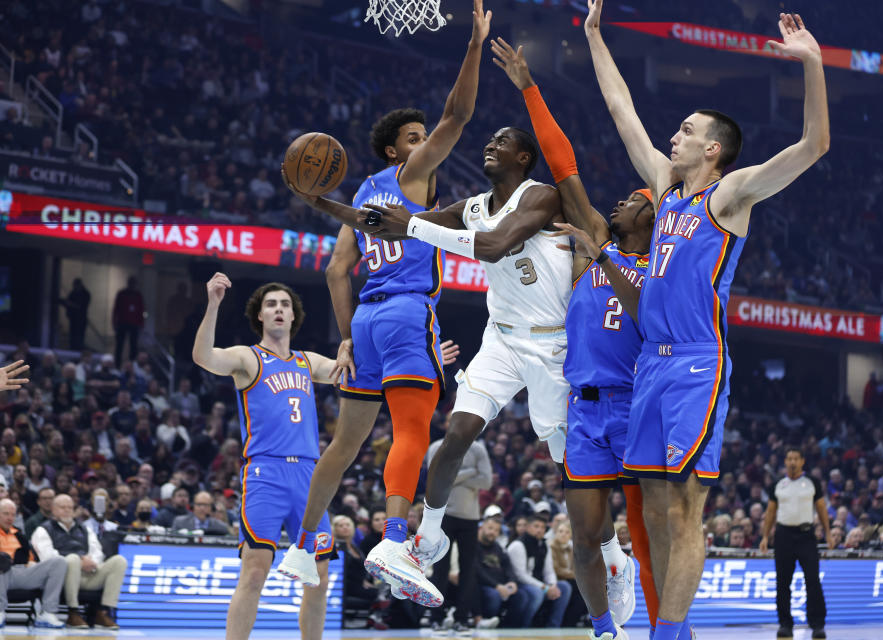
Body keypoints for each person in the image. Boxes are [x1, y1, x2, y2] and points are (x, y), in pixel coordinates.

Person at [584, 4, 829, 638]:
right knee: (659, 510)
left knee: (688, 509)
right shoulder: (666, 188)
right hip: (650, 364)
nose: (675, 135)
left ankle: (667, 632)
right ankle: (678, 628)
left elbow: (814, 146)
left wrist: (814, 66)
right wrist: (593, 37)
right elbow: (621, 112)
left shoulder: (731, 193)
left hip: (697, 360)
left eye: (687, 130)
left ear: (711, 148)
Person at [276, 0, 490, 607]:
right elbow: (461, 112)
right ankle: (395, 539)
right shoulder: (411, 177)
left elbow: (335, 269)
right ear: (398, 152)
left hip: (366, 321)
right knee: (414, 427)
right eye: (414, 140)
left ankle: (300, 549)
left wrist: (344, 336)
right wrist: (474, 44)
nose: (426, 145)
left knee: (344, 445)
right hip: (404, 312)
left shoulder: (365, 195)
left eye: (423, 139)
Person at [490, 38, 661, 639]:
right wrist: (528, 87)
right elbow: (565, 167)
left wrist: (603, 261)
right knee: (585, 537)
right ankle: (601, 629)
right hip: (585, 410)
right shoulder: (594, 237)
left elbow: (646, 315)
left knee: (648, 532)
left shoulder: (661, 265)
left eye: (634, 200)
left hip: (637, 407)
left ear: (653, 218)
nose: (619, 201)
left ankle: (667, 623)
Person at [192, 275, 338, 640]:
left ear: (293, 317)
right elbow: (203, 357)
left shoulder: (309, 362)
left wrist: (419, 355)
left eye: (285, 305)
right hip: (265, 474)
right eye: (271, 304)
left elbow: (352, 370)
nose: (278, 309)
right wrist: (212, 304)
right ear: (259, 315)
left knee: (318, 575)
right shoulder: (247, 357)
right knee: (256, 571)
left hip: (309, 475)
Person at [759, 447, 833, 638]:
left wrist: (828, 532)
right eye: (789, 458)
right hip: (783, 536)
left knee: (813, 581)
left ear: (802, 461)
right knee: (783, 582)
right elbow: (770, 512)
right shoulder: (778, 484)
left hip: (806, 536)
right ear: (785, 461)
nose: (792, 462)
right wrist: (765, 537)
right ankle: (785, 624)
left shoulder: (812, 483)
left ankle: (817, 625)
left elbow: (822, 509)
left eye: (795, 458)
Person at [425, 433, 492, 633]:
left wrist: (453, 477)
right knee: (440, 569)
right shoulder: (437, 446)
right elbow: (434, 477)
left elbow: (486, 482)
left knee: (468, 570)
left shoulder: (478, 449)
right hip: (442, 514)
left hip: (470, 518)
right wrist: (470, 472)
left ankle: (462, 619)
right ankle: (436, 618)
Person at [30, 494, 128, 629]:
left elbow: (97, 551)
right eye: (62, 507)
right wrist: (79, 560)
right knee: (72, 559)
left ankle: (103, 612)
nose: (67, 510)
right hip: (61, 578)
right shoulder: (44, 529)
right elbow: (47, 557)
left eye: (70, 507)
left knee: (119, 561)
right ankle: (73, 612)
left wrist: (91, 562)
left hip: (88, 574)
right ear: (53, 509)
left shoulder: (84, 529)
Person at [0, 498, 66, 628]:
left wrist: (30, 562)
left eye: (13, 514)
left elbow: (30, 558)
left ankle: (47, 613)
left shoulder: (19, 534)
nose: (10, 517)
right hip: (3, 573)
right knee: (2, 562)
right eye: (5, 513)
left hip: (22, 573)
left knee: (59, 562)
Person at [506, 514, 571, 627]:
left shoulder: (544, 544)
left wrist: (552, 586)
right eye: (536, 526)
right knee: (537, 593)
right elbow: (521, 575)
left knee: (564, 587)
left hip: (539, 584)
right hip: (520, 584)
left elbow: (549, 570)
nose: (540, 530)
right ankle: (525, 626)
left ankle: (553, 626)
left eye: (542, 527)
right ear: (527, 527)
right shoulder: (518, 545)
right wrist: (544, 587)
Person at [476, 514, 537, 627]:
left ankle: (508, 627)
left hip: (502, 585)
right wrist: (497, 586)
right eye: (490, 528)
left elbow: (508, 567)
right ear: (482, 528)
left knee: (522, 596)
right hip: (484, 586)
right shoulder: (474, 546)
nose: (493, 532)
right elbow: (477, 571)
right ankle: (486, 622)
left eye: (496, 530)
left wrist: (512, 581)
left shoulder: (497, 547)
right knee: (494, 595)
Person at [112, 276, 144, 363]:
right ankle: (117, 363)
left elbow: (141, 310)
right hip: (122, 322)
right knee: (119, 344)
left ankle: (132, 363)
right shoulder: (122, 294)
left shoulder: (138, 295)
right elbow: (116, 309)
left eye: (133, 283)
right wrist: (114, 323)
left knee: (133, 345)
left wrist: (141, 324)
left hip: (134, 323)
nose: (132, 285)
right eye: (131, 283)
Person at [61, 278, 91, 351]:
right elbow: (68, 302)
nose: (75, 287)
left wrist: (71, 304)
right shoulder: (73, 293)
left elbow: (82, 306)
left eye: (76, 286)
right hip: (73, 319)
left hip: (81, 319)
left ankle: (78, 351)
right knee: (73, 338)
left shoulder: (85, 294)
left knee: (79, 338)